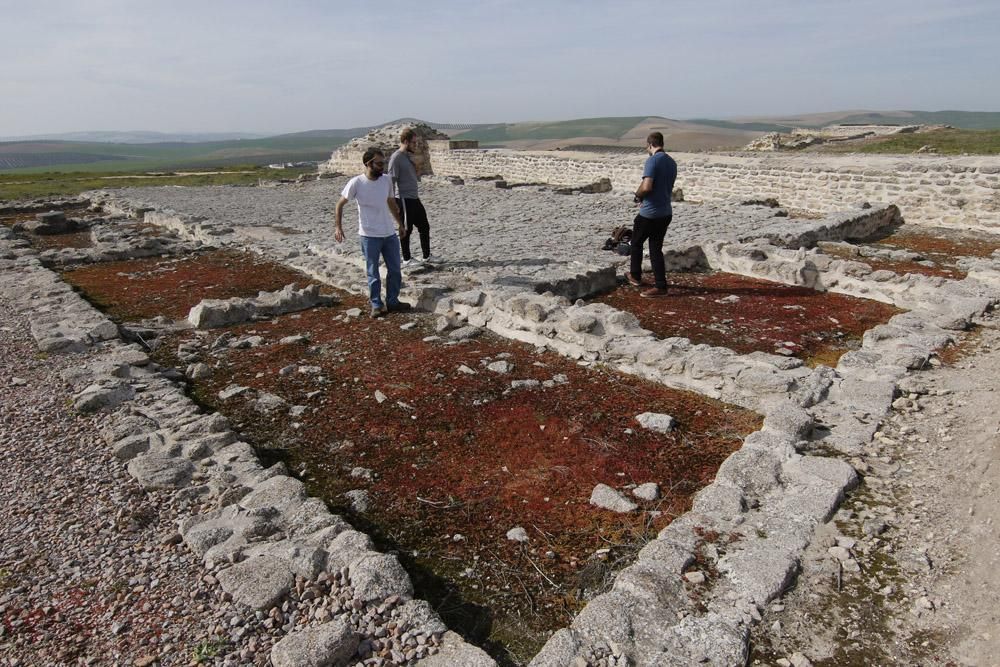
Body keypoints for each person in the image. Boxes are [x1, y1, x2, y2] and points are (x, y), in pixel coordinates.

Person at [334, 147, 413, 318]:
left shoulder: (386, 181)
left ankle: (392, 301)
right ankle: (376, 304)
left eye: (383, 163)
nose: (382, 167)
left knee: (395, 270)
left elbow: (391, 202)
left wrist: (400, 224)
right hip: (369, 235)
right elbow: (340, 204)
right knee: (373, 272)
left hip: (389, 233)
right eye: (379, 163)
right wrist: (338, 227)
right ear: (368, 164)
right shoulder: (357, 183)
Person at [625, 131, 677, 297]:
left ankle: (635, 276)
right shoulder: (671, 162)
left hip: (650, 213)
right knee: (655, 249)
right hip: (665, 212)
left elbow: (647, 186)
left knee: (636, 243)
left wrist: (638, 195)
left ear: (650, 145)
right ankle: (661, 286)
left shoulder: (652, 161)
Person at [387, 127, 435, 266]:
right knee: (406, 229)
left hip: (414, 197)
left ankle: (427, 255)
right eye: (414, 143)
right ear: (406, 141)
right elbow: (391, 180)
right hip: (403, 198)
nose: (416, 145)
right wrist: (393, 202)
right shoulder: (396, 158)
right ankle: (406, 259)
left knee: (424, 226)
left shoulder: (407, 156)